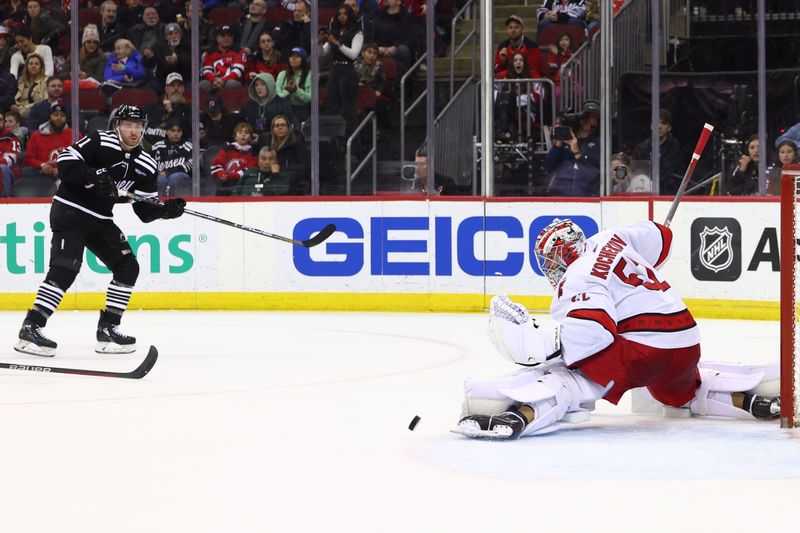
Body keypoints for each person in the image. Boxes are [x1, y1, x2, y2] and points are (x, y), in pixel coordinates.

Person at [454, 218, 781, 439]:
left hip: (645, 351)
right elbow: (661, 238)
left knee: (572, 375)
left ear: (566, 252)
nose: (549, 267)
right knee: (680, 394)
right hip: (686, 342)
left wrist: (541, 344)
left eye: (551, 258)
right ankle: (749, 400)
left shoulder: (577, 276)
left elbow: (593, 332)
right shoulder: (614, 237)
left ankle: (518, 413)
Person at [14, 104, 186, 357]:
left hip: (100, 219)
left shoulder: (147, 163)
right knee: (66, 267)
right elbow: (66, 161)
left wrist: (164, 211)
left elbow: (144, 210)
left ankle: (108, 329)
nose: (133, 131)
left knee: (127, 266)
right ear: (117, 126)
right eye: (128, 125)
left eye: (138, 127)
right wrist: (90, 175)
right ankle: (31, 327)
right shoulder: (100, 141)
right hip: (70, 210)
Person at [320, 4, 362, 137]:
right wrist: (319, 42)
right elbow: (322, 53)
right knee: (331, 107)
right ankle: (334, 147)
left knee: (348, 109)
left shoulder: (357, 33)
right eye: (339, 14)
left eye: (345, 14)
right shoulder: (335, 32)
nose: (342, 17)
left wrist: (338, 43)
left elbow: (354, 54)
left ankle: (354, 148)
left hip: (348, 70)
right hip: (334, 70)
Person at [544, 99, 600, 196]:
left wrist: (577, 152)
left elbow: (593, 172)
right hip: (561, 195)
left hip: (587, 196)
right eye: (587, 116)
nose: (588, 120)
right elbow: (549, 166)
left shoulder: (599, 142)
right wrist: (558, 145)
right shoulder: (567, 138)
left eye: (593, 117)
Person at [633, 109, 684, 195]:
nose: (659, 126)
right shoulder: (642, 149)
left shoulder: (675, 148)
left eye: (663, 123)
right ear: (651, 126)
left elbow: (675, 175)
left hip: (670, 195)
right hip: (647, 194)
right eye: (657, 123)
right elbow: (637, 174)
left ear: (669, 128)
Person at [20, 103, 71, 186]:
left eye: (62, 115)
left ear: (66, 118)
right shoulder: (36, 135)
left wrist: (61, 169)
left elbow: (80, 158)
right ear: (49, 117)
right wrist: (42, 165)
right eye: (55, 115)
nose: (58, 118)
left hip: (65, 173)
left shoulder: (74, 134)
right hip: (42, 172)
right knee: (27, 171)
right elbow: (29, 158)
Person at [241, 72, 294, 144]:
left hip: (275, 142)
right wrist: (248, 135)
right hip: (252, 142)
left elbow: (285, 129)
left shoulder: (282, 104)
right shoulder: (249, 104)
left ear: (270, 86)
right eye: (256, 85)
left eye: (263, 84)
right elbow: (241, 123)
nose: (259, 87)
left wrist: (262, 139)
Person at [143, 72, 191, 146]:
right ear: (166, 89)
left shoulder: (188, 108)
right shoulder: (154, 106)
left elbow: (186, 132)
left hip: (175, 148)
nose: (176, 88)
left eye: (179, 86)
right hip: (150, 145)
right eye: (172, 85)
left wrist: (171, 111)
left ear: (183, 89)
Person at [141, 22, 191, 90]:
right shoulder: (159, 46)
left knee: (191, 87)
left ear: (181, 35)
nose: (174, 36)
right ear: (166, 37)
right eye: (170, 34)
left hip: (183, 82)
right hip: (164, 83)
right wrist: (148, 58)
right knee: (150, 86)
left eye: (176, 33)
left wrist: (178, 58)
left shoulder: (188, 44)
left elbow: (192, 62)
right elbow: (148, 65)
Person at [199, 25, 248, 93]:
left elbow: (238, 71)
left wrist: (223, 81)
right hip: (213, 82)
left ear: (233, 37)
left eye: (229, 36)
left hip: (230, 81)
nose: (226, 38)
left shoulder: (239, 51)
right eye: (223, 36)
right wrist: (213, 80)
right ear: (217, 38)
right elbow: (207, 70)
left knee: (232, 84)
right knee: (203, 84)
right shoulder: (209, 53)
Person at [210, 121, 259, 189]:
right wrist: (222, 175)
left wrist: (229, 175)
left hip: (243, 186)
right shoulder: (227, 149)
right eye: (240, 132)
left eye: (246, 133)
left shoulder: (253, 154)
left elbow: (249, 171)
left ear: (250, 137)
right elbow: (215, 165)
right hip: (224, 185)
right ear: (235, 137)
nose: (243, 134)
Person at [151, 117, 192, 195]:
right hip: (161, 177)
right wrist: (158, 172)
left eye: (178, 131)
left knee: (174, 177)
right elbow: (150, 164)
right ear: (166, 132)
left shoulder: (188, 146)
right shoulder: (158, 146)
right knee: (159, 179)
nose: (176, 134)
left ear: (182, 132)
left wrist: (169, 172)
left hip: (180, 178)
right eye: (173, 131)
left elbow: (191, 165)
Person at [58, 24, 106, 89]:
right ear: (84, 43)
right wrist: (70, 74)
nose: (92, 45)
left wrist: (86, 75)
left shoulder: (101, 58)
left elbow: (101, 78)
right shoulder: (74, 55)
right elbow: (61, 74)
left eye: (95, 42)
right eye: (89, 42)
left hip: (91, 88)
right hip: (72, 86)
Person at [275, 47, 311, 125]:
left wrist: (296, 90)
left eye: (297, 56)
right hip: (284, 109)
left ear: (303, 60)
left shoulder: (309, 75)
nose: (294, 59)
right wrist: (288, 91)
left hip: (303, 110)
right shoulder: (282, 74)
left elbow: (309, 98)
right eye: (292, 56)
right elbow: (278, 94)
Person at [12, 53, 47, 120]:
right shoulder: (20, 82)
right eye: (31, 63)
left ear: (41, 67)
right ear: (27, 66)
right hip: (18, 115)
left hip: (36, 115)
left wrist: (23, 109)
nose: (33, 66)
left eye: (36, 64)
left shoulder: (46, 81)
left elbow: (45, 102)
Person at [0, 109, 21, 196]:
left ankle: (5, 199)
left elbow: (10, 159)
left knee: (2, 168)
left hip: (10, 174)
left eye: (1, 120)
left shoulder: (11, 137)